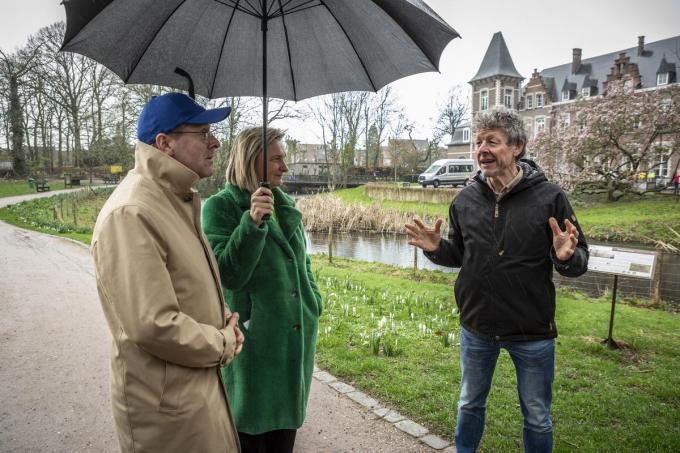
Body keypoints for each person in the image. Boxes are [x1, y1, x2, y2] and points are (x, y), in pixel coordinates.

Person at [405, 107, 589, 453]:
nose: (482, 149)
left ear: (517, 146)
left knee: (536, 415)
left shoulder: (550, 198)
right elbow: (459, 256)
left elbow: (580, 260)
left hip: (531, 328)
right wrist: (436, 248)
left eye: (492, 141)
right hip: (477, 326)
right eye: (478, 142)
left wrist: (565, 257)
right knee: (469, 404)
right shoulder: (464, 199)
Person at [91, 92, 244, 453]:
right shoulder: (132, 212)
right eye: (203, 133)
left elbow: (187, 287)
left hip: (193, 395)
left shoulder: (175, 200)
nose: (216, 142)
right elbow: (153, 323)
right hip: (168, 412)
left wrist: (223, 319)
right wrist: (221, 342)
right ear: (165, 144)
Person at [202, 126, 322, 453]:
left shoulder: (284, 205)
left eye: (284, 159)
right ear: (251, 160)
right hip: (255, 346)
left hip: (294, 341)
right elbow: (228, 274)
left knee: (285, 437)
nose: (285, 166)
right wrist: (251, 223)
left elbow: (301, 262)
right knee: (251, 437)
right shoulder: (221, 207)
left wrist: (313, 302)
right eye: (276, 159)